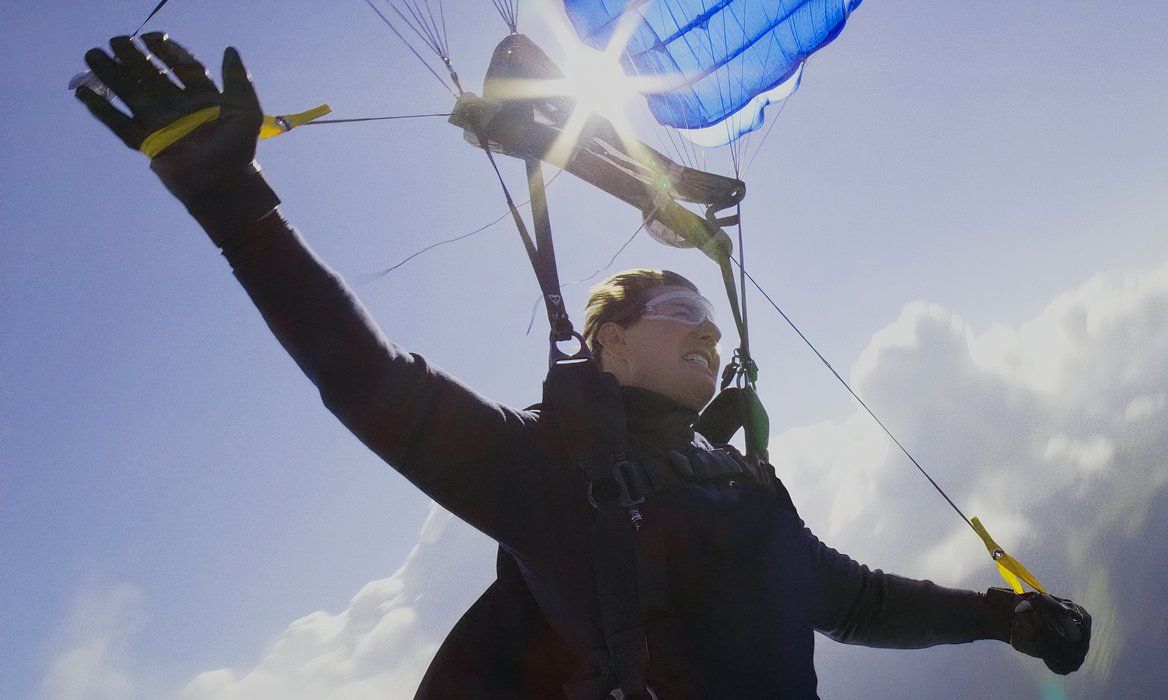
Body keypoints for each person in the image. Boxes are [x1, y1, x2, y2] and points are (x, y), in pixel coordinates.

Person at [77, 34, 1092, 699]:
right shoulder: (552, 474)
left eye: (708, 315)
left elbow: (856, 602)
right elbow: (370, 382)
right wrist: (234, 206)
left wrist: (1004, 617)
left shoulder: (742, 486)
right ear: (607, 344)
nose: (706, 329)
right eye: (678, 309)